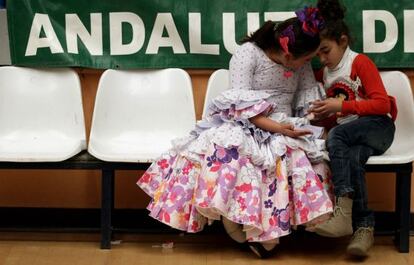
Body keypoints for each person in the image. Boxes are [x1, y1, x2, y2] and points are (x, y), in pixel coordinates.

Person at [137, 6, 333, 259]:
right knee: (234, 154)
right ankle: (234, 220)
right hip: (246, 122)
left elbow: (306, 98)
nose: (309, 63)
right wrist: (279, 128)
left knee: (296, 157)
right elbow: (241, 107)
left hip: (286, 124)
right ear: (287, 53)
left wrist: (310, 117)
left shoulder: (301, 63)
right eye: (306, 59)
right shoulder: (248, 54)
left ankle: (267, 233)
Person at [309, 0, 397, 257]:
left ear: (343, 41)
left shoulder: (359, 63)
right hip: (350, 136)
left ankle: (343, 211)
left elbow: (381, 105)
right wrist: (317, 117)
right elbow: (335, 117)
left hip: (379, 128)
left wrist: (341, 106)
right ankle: (364, 228)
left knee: (338, 136)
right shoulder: (323, 73)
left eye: (326, 51)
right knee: (351, 155)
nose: (322, 59)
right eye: (318, 54)